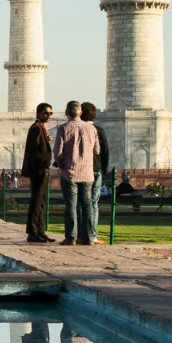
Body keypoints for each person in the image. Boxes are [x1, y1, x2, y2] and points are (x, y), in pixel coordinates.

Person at [54, 103, 100, 246]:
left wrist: (62, 164)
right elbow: (97, 150)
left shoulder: (63, 128)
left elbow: (57, 152)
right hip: (87, 173)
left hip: (70, 173)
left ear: (66, 112)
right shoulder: (92, 128)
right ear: (80, 113)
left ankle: (71, 238)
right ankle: (88, 237)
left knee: (71, 206)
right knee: (87, 204)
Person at [21, 103, 54, 242]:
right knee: (36, 202)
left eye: (50, 113)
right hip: (38, 170)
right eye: (46, 113)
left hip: (41, 170)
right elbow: (34, 152)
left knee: (41, 203)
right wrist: (43, 164)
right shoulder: (36, 128)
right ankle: (33, 232)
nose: (48, 116)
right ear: (39, 113)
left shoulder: (41, 128)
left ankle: (40, 231)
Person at [79, 102, 109, 242]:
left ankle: (81, 233)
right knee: (93, 203)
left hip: (81, 170)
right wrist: (104, 169)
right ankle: (93, 235)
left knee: (81, 203)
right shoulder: (99, 130)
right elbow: (105, 151)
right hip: (96, 170)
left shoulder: (77, 129)